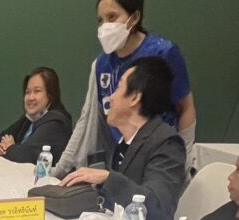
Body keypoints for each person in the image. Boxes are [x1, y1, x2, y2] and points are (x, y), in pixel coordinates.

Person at [52, 0, 196, 178]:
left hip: (159, 160)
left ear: (134, 17)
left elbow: (186, 108)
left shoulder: (163, 53)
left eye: (112, 17)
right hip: (121, 163)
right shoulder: (101, 64)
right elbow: (88, 119)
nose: (105, 26)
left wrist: (182, 160)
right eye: (100, 20)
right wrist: (59, 170)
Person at [61, 57, 186, 220]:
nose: (111, 97)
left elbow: (158, 208)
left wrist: (108, 178)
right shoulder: (123, 143)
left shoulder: (167, 143)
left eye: (118, 87)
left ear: (134, 97)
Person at [0, 67, 72, 164]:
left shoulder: (57, 123)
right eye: (27, 92)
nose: (30, 97)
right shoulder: (30, 118)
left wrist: (10, 148)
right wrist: (0, 146)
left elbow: (25, 155)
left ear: (50, 94)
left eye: (37, 91)